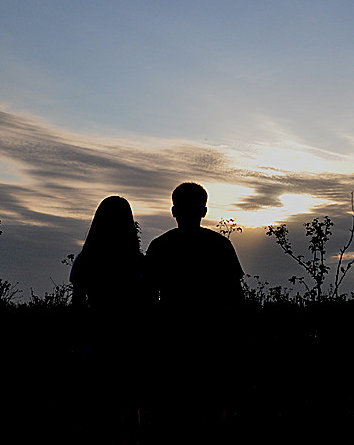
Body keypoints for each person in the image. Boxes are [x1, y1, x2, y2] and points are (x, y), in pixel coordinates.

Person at [143, 182, 245, 441]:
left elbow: (147, 300)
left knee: (172, 418)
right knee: (210, 416)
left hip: (171, 344)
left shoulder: (159, 246)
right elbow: (236, 299)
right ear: (205, 211)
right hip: (211, 344)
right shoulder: (220, 246)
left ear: (173, 211)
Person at [69, 195, 144, 444]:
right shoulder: (137, 262)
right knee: (129, 403)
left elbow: (77, 307)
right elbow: (148, 305)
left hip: (96, 339)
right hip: (130, 340)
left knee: (100, 406)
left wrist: (77, 342)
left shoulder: (86, 261)